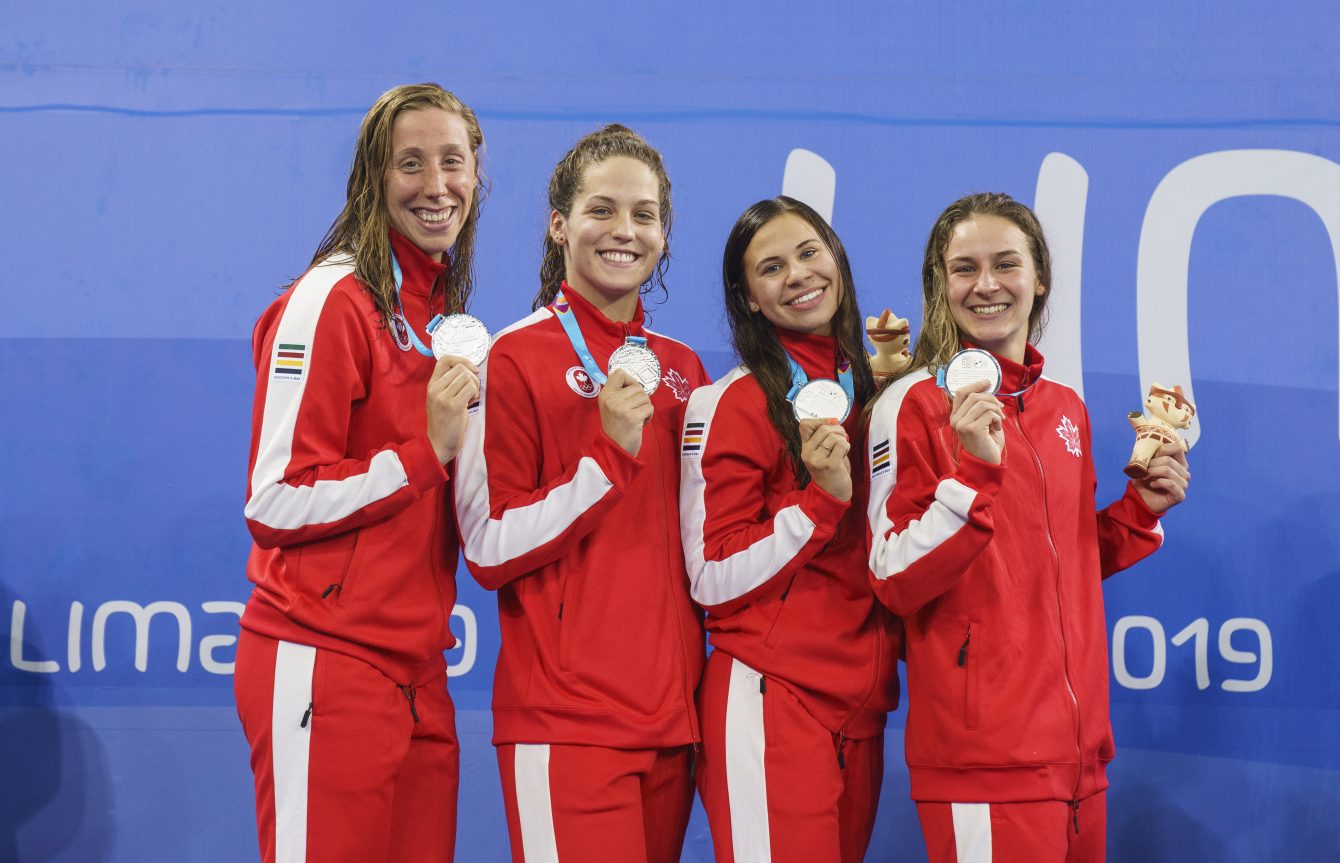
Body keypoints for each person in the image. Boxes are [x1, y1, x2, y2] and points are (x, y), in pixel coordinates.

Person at [865, 192, 1191, 862]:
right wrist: (976, 475)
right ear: (940, 283)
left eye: (1006, 263)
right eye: (964, 268)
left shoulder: (1063, 405)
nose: (986, 284)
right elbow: (892, 574)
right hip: (982, 762)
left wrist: (1140, 513)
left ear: (1039, 277)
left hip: (1078, 761)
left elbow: (1059, 555)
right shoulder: (913, 404)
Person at [233, 83, 484, 863]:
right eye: (410, 164)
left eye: (453, 162)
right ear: (374, 180)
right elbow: (273, 499)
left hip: (415, 671)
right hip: (324, 656)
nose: (436, 186)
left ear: (477, 173)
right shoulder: (332, 298)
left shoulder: (438, 309)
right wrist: (422, 452)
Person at [453, 124, 709, 863]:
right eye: (602, 210)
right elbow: (488, 545)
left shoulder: (685, 368)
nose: (624, 231)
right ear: (560, 225)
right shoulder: (516, 356)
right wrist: (606, 462)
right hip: (566, 720)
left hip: (672, 725)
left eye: (644, 214)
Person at [679, 196, 901, 862]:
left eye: (809, 252)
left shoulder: (881, 390)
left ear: (836, 257)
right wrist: (817, 505)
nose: (798, 274)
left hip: (862, 705)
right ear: (747, 298)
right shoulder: (733, 403)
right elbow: (709, 574)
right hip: (770, 696)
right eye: (770, 267)